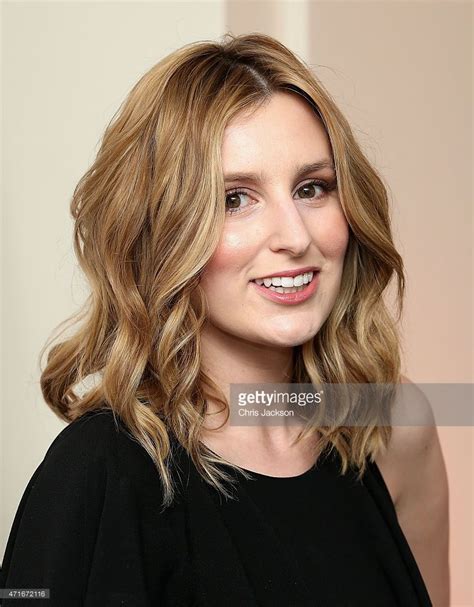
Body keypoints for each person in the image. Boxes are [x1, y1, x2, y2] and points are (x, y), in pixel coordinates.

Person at [0, 32, 449, 606]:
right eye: (235, 199)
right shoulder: (97, 474)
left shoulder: (392, 428)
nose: (296, 237)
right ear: (161, 233)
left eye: (312, 188)